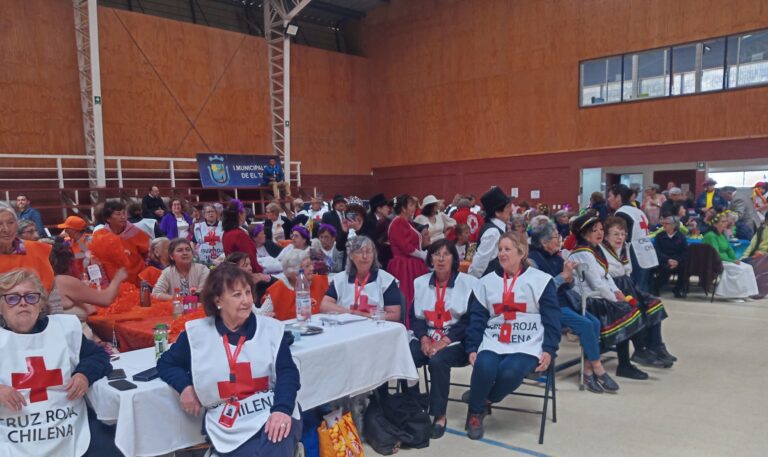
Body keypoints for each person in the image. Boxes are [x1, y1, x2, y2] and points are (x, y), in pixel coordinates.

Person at [157, 264, 301, 457]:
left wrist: (282, 410)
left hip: (272, 409)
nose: (246, 301)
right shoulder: (197, 334)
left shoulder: (271, 329)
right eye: (237, 295)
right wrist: (184, 386)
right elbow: (166, 363)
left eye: (248, 293)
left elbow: (288, 373)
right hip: (227, 421)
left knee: (277, 438)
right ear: (218, 301)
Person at [0, 268, 120, 456]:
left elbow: (98, 357)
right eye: (13, 298)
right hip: (12, 432)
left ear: (40, 304)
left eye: (31, 297)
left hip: (69, 424)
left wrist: (83, 375)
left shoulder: (64, 329)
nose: (23, 303)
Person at [464, 232, 560, 439]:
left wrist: (549, 349)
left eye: (507, 249)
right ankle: (474, 414)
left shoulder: (541, 281)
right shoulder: (486, 282)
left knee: (509, 373)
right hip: (494, 338)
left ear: (522, 252)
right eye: (500, 249)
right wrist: (472, 347)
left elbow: (552, 319)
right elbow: (477, 319)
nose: (501, 253)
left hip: (528, 342)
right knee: (484, 366)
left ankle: (482, 400)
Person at [528, 223, 619, 394]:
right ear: (543, 242)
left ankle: (587, 371)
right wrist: (563, 277)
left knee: (595, 322)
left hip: (566, 302)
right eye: (555, 237)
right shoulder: (533, 260)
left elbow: (569, 287)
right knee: (585, 325)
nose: (559, 240)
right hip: (549, 307)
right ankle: (598, 368)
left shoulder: (557, 257)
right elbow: (540, 291)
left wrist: (569, 280)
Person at [567, 214, 648, 380]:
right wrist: (614, 298)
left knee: (634, 309)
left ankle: (636, 355)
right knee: (627, 312)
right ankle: (628, 361)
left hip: (598, 297)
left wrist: (616, 291)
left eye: (601, 229)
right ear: (584, 233)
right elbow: (596, 283)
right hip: (587, 301)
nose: (599, 233)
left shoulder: (594, 249)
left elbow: (606, 276)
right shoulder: (584, 253)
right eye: (594, 230)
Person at [409, 240, 474, 437]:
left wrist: (443, 341)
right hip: (427, 336)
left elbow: (468, 321)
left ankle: (439, 415)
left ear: (454, 258)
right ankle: (412, 405)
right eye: (436, 254)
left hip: (456, 341)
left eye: (446, 254)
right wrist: (423, 339)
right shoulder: (421, 282)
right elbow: (414, 317)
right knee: (405, 355)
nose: (440, 258)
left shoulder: (468, 283)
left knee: (438, 361)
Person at [601, 217, 675, 368]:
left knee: (653, 302)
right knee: (635, 309)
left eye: (623, 234)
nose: (620, 238)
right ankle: (640, 350)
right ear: (606, 235)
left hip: (627, 284)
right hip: (612, 288)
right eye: (616, 234)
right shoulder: (600, 251)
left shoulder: (625, 247)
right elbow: (606, 276)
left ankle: (656, 345)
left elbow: (627, 271)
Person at [49, 240, 128, 351]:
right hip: (79, 346)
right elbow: (105, 299)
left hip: (74, 342)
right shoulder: (63, 281)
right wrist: (118, 278)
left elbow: (89, 309)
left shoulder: (49, 281)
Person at [320, 236, 401, 321]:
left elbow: (395, 315)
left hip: (376, 330)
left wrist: (363, 316)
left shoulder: (386, 280)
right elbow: (324, 305)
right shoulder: (340, 279)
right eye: (359, 252)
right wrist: (351, 313)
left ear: (374, 256)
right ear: (351, 255)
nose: (365, 256)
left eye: (369, 252)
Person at [608, 184, 659, 293]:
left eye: (610, 196)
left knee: (635, 291)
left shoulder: (622, 213)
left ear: (618, 197)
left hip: (635, 254)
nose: (608, 199)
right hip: (647, 252)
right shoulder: (638, 211)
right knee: (643, 289)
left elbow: (621, 239)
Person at [703, 212, 759, 301]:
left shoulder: (722, 234)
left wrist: (734, 259)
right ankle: (732, 295)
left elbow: (729, 249)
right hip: (716, 261)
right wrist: (731, 261)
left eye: (726, 221)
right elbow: (715, 253)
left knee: (748, 267)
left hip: (726, 260)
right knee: (739, 269)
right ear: (715, 224)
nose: (725, 223)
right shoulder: (710, 236)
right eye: (722, 221)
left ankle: (745, 293)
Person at [387, 194, 428, 315]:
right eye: (411, 205)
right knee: (408, 295)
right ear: (404, 208)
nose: (414, 208)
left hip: (410, 264)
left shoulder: (405, 222)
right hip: (404, 267)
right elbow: (405, 246)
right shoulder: (399, 222)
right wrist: (423, 255)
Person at [92, 201, 150, 285]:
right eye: (118, 214)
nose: (123, 217)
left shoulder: (136, 232)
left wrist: (143, 275)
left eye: (124, 213)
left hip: (136, 282)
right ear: (108, 218)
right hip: (111, 285)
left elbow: (148, 254)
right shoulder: (99, 235)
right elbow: (95, 259)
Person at [0, 205, 55, 291]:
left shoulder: (38, 249)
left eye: (11, 222)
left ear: (17, 224)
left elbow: (51, 288)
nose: (6, 229)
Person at [262, 250, 327, 321]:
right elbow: (262, 315)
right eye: (307, 266)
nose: (312, 268)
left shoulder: (321, 282)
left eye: (311, 264)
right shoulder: (277, 290)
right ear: (295, 271)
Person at [468, 187, 511, 278]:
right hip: (490, 283)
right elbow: (479, 264)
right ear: (497, 213)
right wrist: (472, 284)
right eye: (507, 207)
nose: (510, 210)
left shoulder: (500, 229)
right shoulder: (493, 232)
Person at [222, 200, 264, 275]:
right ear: (239, 214)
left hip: (233, 274)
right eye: (244, 212)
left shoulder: (225, 233)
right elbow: (250, 258)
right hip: (246, 275)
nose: (245, 215)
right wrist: (260, 271)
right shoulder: (239, 235)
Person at [652, 216, 688, 297]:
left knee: (684, 267)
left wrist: (677, 261)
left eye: (667, 223)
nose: (664, 225)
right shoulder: (659, 236)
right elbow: (657, 251)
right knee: (664, 268)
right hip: (664, 260)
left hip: (677, 261)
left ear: (674, 225)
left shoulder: (681, 237)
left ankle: (678, 289)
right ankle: (656, 288)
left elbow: (684, 252)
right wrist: (667, 260)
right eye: (663, 223)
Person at [742, 212, 768, 298]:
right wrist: (744, 258)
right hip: (756, 257)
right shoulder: (761, 230)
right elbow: (751, 246)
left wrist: (764, 254)